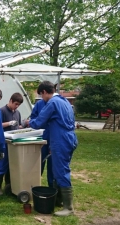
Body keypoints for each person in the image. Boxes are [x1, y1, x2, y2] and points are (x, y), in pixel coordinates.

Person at [26, 81, 78, 216]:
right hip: (70, 138)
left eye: (41, 95)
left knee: (61, 171)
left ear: (44, 92)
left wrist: (28, 122)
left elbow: (39, 122)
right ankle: (58, 200)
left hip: (60, 140)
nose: (42, 99)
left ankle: (69, 207)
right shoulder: (64, 100)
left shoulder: (52, 103)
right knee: (59, 170)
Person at [0, 92, 24, 195]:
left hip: (14, 143)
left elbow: (19, 126)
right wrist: (9, 123)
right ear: (10, 101)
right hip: (4, 142)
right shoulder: (1, 111)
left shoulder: (17, 113)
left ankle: (9, 185)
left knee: (12, 164)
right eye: (15, 104)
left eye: (18, 105)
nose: (16, 107)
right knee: (2, 163)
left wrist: (23, 126)